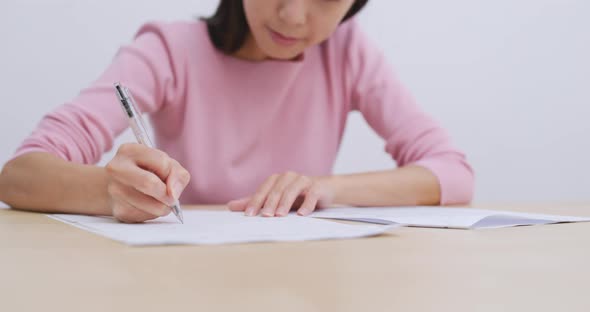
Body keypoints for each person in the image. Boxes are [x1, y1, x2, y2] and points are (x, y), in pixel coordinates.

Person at [0, 0, 474, 223]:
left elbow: (452, 171)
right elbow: (19, 174)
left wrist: (325, 189)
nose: (293, 15)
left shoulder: (346, 53)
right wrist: (110, 187)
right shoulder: (169, 50)